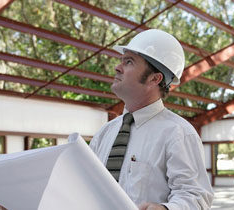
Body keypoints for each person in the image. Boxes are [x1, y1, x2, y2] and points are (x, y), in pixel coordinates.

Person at [89, 29, 214, 210]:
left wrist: (166, 209)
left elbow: (195, 196)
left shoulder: (178, 134)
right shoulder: (104, 134)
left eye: (129, 62)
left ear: (154, 78)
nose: (117, 67)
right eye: (121, 60)